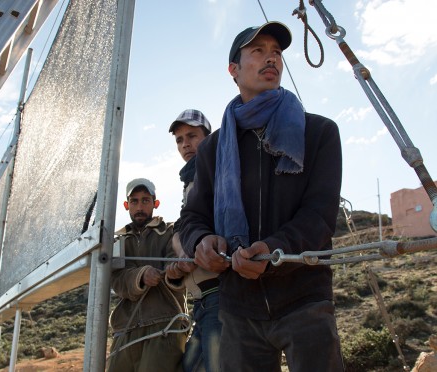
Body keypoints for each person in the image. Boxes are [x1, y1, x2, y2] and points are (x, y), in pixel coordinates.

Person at [179, 21, 345, 371]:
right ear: (234, 70)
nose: (271, 58)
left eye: (277, 53)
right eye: (258, 51)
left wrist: (273, 250)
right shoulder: (211, 149)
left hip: (305, 299)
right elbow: (191, 218)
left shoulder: (319, 132)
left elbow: (319, 215)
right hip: (238, 308)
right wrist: (202, 242)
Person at [107, 178, 188, 372]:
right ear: (126, 205)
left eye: (145, 200)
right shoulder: (119, 241)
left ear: (155, 203)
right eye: (134, 201)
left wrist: (174, 272)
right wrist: (141, 276)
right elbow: (116, 280)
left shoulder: (170, 232)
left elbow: (176, 267)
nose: (139, 206)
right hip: (124, 329)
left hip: (164, 325)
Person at [167, 109, 222, 372]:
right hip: (201, 299)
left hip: (218, 293)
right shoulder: (190, 179)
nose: (185, 144)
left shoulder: (214, 174)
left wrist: (184, 246)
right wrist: (181, 258)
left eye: (192, 136)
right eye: (179, 139)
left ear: (208, 137)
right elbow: (185, 231)